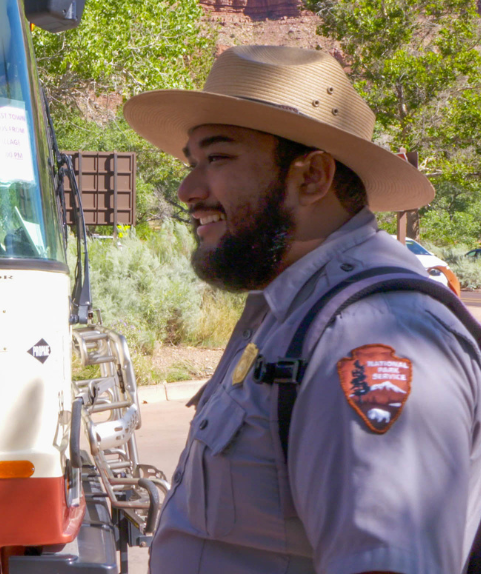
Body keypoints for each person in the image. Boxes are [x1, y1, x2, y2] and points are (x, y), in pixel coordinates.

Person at [121, 45, 481, 574]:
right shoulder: (291, 313)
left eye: (217, 158)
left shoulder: (374, 336)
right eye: (192, 162)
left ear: (311, 177)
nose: (187, 190)